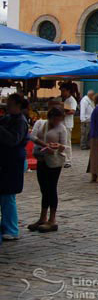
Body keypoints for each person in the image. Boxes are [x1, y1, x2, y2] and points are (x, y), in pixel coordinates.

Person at [28, 107, 69, 233]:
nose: (58, 122)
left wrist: (57, 147)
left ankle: (52, 219)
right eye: (56, 119)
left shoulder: (61, 129)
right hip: (41, 159)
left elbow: (65, 146)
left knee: (51, 188)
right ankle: (42, 217)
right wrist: (44, 144)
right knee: (44, 188)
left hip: (54, 162)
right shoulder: (40, 123)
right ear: (51, 117)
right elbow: (32, 136)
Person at [0, 94, 29, 244]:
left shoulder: (20, 121)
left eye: (10, 104)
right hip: (6, 162)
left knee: (8, 196)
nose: (7, 106)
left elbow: (13, 140)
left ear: (18, 105)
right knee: (4, 196)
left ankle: (11, 229)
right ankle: (6, 227)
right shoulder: (8, 118)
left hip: (13, 163)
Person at [59, 83, 77, 168]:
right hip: (63, 123)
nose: (62, 93)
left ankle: (68, 160)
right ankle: (63, 158)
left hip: (67, 124)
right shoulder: (66, 99)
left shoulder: (72, 100)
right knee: (62, 142)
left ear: (68, 91)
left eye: (63, 91)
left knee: (67, 142)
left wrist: (63, 112)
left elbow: (72, 111)